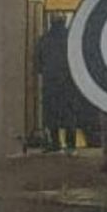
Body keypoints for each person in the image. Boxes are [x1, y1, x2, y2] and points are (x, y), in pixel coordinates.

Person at [35, 15, 78, 153]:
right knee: (68, 113)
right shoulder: (71, 38)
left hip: (50, 82)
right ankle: (70, 145)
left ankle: (55, 143)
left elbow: (37, 63)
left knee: (51, 113)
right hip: (68, 81)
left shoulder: (44, 39)